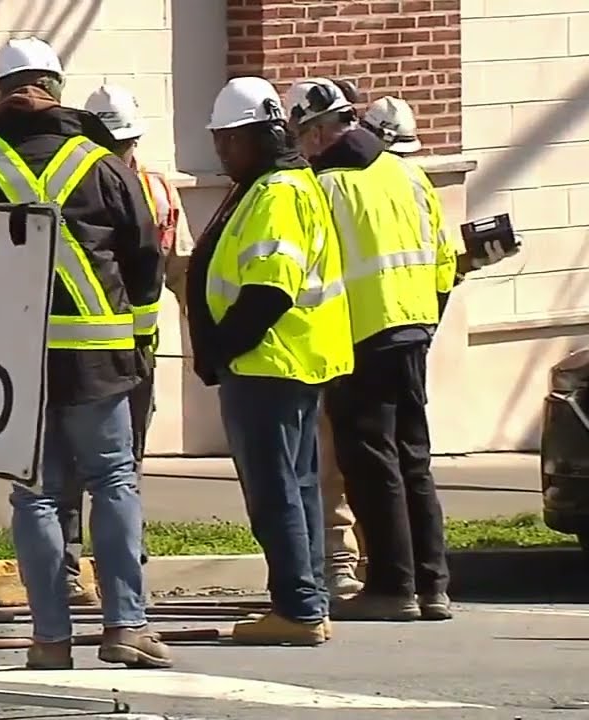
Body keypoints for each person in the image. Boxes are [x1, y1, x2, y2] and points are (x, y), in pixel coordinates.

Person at [0, 37, 170, 670]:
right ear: (57, 91)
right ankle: (125, 626)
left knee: (36, 497)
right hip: (98, 362)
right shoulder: (102, 163)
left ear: (0, 95)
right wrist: (139, 342)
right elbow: (146, 259)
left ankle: (49, 641)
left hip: (14, 365)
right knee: (113, 481)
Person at [285, 76, 464, 622]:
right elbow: (444, 260)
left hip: (359, 337)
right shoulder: (406, 173)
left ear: (317, 132)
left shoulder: (325, 187)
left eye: (300, 135)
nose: (298, 147)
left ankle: (391, 586)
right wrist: (424, 321)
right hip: (413, 331)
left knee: (371, 464)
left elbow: (313, 270)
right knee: (414, 460)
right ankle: (434, 585)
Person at [186, 76, 354, 646]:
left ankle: (299, 608)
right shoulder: (282, 183)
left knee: (275, 489)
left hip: (268, 362)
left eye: (227, 142)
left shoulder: (276, 193)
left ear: (256, 136)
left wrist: (220, 348)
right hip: (287, 361)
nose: (222, 153)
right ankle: (308, 600)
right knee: (298, 485)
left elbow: (269, 290)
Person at [51, 84, 198, 605]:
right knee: (87, 469)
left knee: (117, 469)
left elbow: (180, 272)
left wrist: (195, 338)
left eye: (125, 144)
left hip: (130, 352)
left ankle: (117, 570)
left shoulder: (158, 191)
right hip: (103, 350)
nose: (120, 153)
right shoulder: (81, 179)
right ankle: (75, 574)